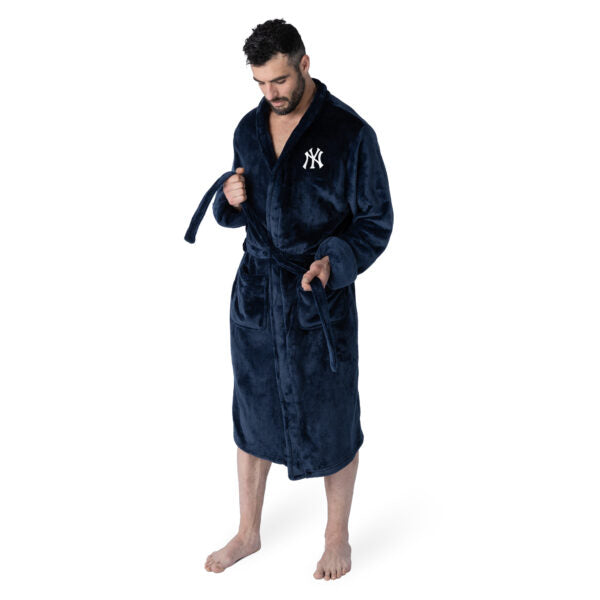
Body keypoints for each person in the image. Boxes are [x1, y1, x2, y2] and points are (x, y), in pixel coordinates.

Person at [185, 18, 393, 579]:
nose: (270, 93)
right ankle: (248, 532)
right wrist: (229, 199)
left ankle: (336, 537)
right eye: (259, 83)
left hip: (316, 297)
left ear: (304, 63)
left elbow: (375, 221)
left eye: (279, 80)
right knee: (252, 410)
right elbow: (242, 210)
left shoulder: (350, 134)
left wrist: (334, 263)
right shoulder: (248, 130)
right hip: (257, 295)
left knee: (334, 417)